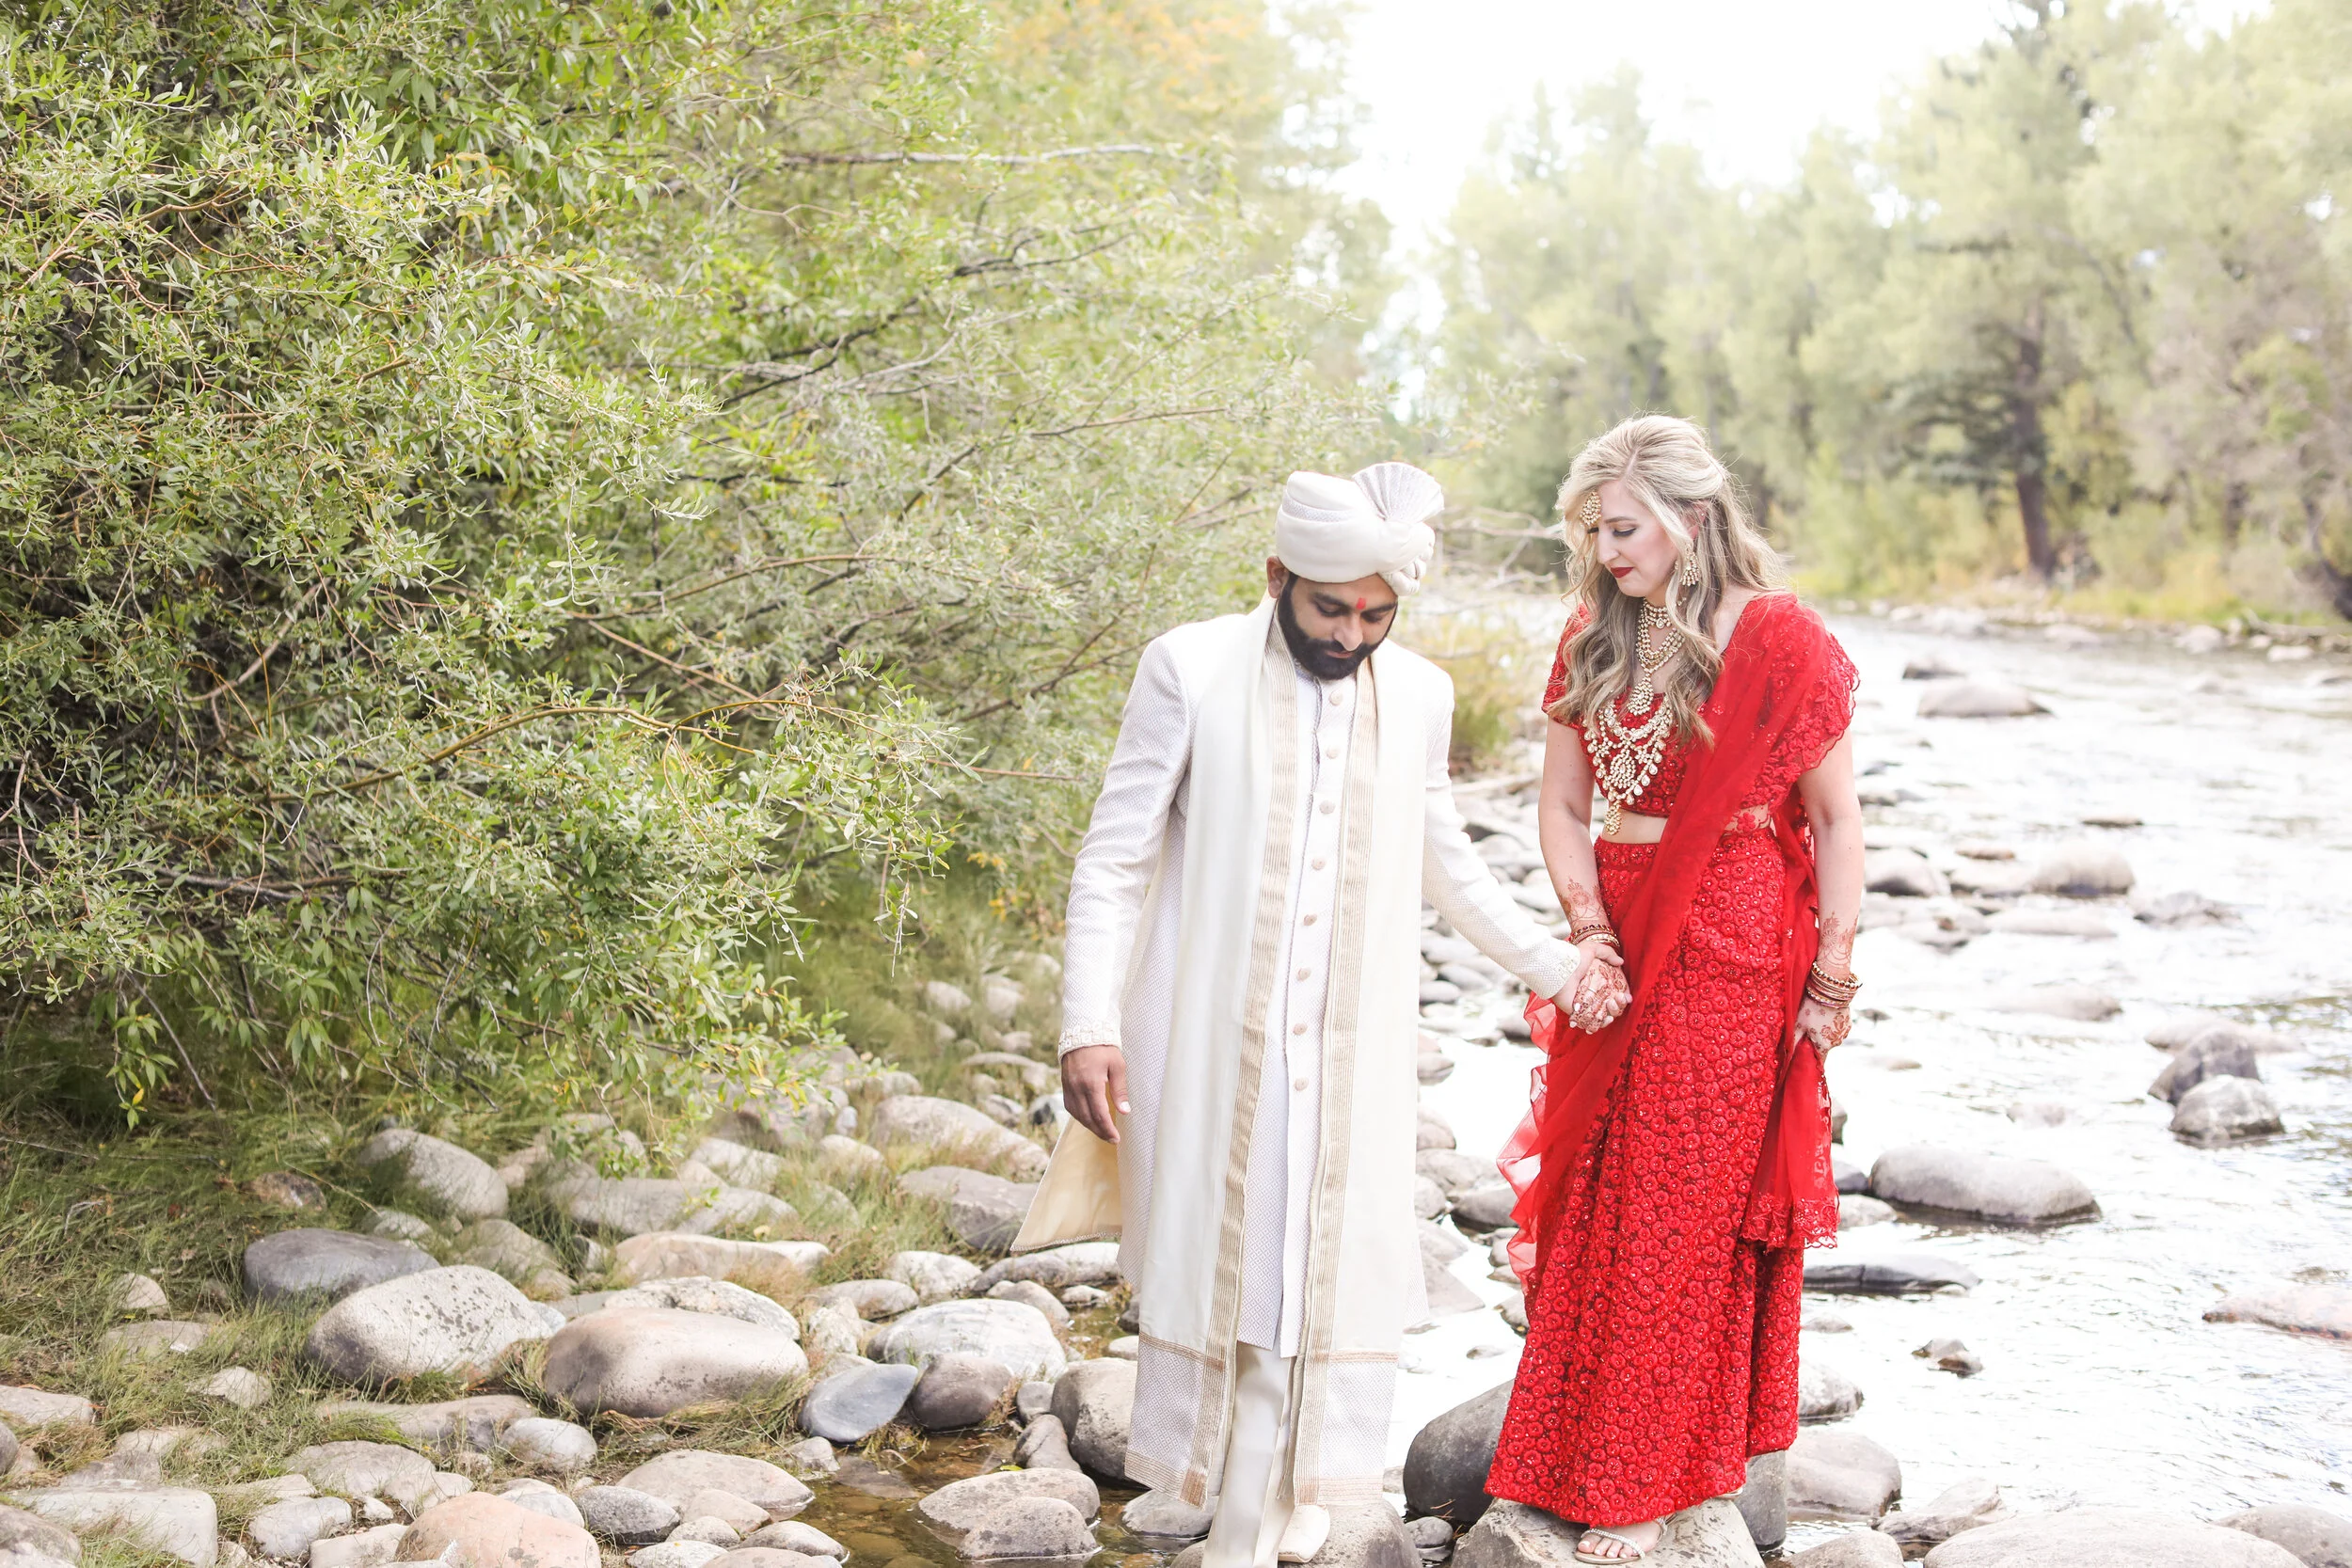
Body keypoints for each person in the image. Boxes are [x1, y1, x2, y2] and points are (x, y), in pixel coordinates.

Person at [1054, 463, 1582, 1568]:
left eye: (1375, 616)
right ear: (1275, 576)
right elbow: (1114, 856)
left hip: (1350, 1051)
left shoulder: (1421, 693)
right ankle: (1243, 1523)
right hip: (1208, 1037)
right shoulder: (1188, 666)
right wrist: (1086, 1023)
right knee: (1244, 1271)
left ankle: (1280, 1496)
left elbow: (1448, 862)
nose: (1350, 634)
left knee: (1317, 1271)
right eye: (1329, 609)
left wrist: (1561, 966)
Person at [1484, 416, 1865, 1564]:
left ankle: (1648, 1478)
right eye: (1592, 532)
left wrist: (1833, 971)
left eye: (1622, 529)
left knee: (1678, 1204)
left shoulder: (1782, 636)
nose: (1604, 552)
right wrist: (1587, 937)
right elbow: (1562, 804)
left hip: (1732, 941)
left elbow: (1836, 818)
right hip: (1618, 929)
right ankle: (1567, 1453)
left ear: (1689, 517)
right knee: (1596, 1189)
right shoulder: (1595, 633)